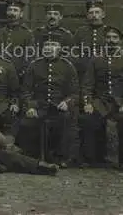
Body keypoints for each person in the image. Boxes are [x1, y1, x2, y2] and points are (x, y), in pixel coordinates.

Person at [80, 27, 123, 171]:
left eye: (114, 38)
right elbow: (87, 84)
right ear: (104, 40)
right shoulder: (96, 59)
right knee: (87, 119)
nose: (111, 41)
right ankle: (90, 158)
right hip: (101, 102)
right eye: (108, 38)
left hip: (120, 103)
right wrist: (88, 103)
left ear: (119, 40)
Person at [19, 37, 79, 167]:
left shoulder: (68, 66)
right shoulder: (34, 65)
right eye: (46, 46)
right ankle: (33, 157)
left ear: (59, 49)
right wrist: (31, 106)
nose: (49, 49)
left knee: (65, 120)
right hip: (39, 105)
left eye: (53, 45)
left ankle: (60, 156)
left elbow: (74, 92)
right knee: (27, 122)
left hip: (59, 106)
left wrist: (67, 102)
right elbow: (26, 91)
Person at [73, 0, 113, 163]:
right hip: (84, 81)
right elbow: (74, 55)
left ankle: (100, 155)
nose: (94, 15)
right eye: (91, 12)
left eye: (97, 12)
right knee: (84, 117)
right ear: (87, 15)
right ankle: (85, 155)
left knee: (101, 116)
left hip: (103, 82)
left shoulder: (109, 33)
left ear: (103, 14)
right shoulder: (80, 33)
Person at [0, 0, 34, 81]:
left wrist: (22, 73)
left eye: (15, 10)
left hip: (18, 75)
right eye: (10, 10)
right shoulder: (0, 32)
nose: (12, 13)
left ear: (21, 14)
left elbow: (30, 56)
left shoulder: (27, 33)